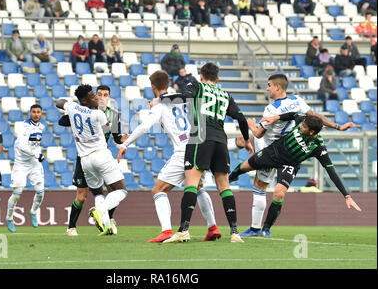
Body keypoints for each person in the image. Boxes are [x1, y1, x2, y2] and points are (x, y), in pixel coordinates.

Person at [231, 74, 356, 237]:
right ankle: (232, 184)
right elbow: (312, 116)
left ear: (277, 87)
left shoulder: (271, 109)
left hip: (273, 148)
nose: (267, 88)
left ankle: (258, 228)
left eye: (269, 85)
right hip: (279, 149)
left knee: (261, 187)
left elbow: (260, 134)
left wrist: (252, 126)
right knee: (249, 170)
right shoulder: (298, 101)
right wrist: (337, 126)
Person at [118, 70, 222, 243]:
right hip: (198, 146)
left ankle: (166, 230)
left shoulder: (160, 105)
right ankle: (212, 227)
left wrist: (125, 145)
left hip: (183, 150)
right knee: (198, 186)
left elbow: (145, 127)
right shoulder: (180, 98)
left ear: (153, 87)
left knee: (158, 190)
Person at [157, 62, 254, 243]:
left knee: (192, 183)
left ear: (201, 76)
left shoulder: (196, 85)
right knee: (224, 186)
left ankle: (183, 230)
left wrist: (162, 99)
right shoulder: (225, 94)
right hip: (221, 139)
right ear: (217, 79)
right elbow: (241, 118)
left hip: (199, 135)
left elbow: (185, 97)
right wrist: (246, 140)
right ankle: (234, 233)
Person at [56, 85, 129, 236]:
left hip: (86, 158)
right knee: (87, 194)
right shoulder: (100, 114)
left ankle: (106, 224)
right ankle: (74, 226)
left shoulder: (113, 115)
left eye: (105, 95)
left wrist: (123, 140)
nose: (101, 97)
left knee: (103, 192)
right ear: (90, 98)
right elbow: (63, 122)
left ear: (109, 97)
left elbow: (116, 137)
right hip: (98, 155)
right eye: (98, 94)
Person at [6, 104, 45, 233]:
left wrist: (39, 154)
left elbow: (36, 144)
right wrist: (36, 154)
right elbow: (22, 145)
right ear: (30, 113)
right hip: (21, 164)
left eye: (38, 112)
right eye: (34, 112)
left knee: (40, 192)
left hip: (34, 164)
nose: (36, 114)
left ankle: (33, 211)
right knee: (17, 193)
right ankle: (9, 217)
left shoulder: (41, 126)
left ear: (41, 113)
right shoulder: (23, 126)